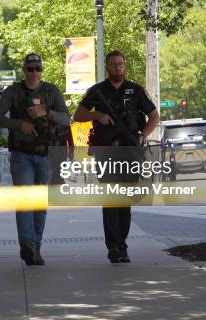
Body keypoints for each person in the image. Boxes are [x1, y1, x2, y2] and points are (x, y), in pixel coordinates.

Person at [74, 50, 160, 263]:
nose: (117, 68)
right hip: (106, 151)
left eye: (120, 64)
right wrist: (96, 114)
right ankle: (114, 247)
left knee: (126, 201)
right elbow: (78, 115)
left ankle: (122, 244)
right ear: (107, 67)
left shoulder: (135, 90)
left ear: (125, 66)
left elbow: (154, 116)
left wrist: (143, 135)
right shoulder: (97, 91)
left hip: (130, 151)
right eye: (113, 64)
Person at [0, 53, 70, 266]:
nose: (34, 73)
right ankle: (28, 244)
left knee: (40, 204)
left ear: (41, 70)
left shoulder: (51, 91)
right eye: (30, 69)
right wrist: (19, 124)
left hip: (46, 154)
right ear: (24, 70)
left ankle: (35, 246)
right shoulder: (13, 91)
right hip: (21, 154)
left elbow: (66, 119)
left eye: (38, 69)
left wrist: (47, 112)